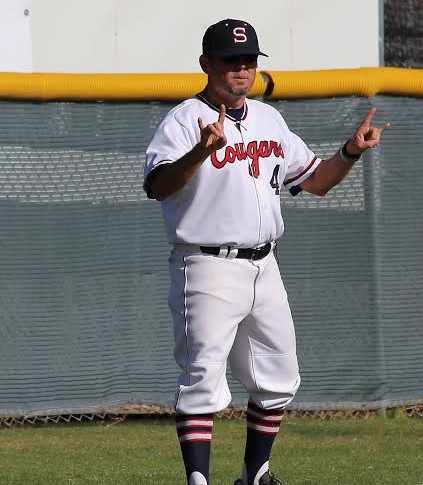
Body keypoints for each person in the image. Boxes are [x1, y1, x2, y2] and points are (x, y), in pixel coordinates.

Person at [143, 18, 390, 485]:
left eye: (249, 61)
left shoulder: (268, 119)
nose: (241, 69)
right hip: (207, 264)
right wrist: (199, 151)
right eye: (230, 60)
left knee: (279, 378)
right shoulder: (181, 120)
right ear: (206, 64)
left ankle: (255, 475)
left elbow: (314, 181)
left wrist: (350, 152)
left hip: (264, 265)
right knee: (203, 383)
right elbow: (158, 187)